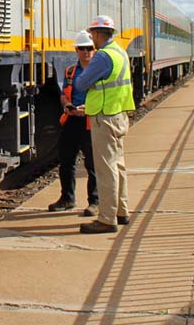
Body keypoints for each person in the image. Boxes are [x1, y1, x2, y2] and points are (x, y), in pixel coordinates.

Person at [74, 15, 134, 234]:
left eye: (92, 34)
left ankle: (107, 219)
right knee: (118, 165)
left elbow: (81, 83)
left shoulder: (102, 57)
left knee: (105, 168)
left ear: (99, 34)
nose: (91, 39)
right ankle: (121, 211)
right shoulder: (120, 52)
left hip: (104, 116)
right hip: (118, 114)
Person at [48, 31, 99, 216]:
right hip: (72, 120)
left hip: (90, 121)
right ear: (76, 50)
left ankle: (95, 202)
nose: (85, 52)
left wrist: (89, 108)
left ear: (94, 50)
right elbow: (63, 93)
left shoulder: (100, 71)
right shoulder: (70, 71)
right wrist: (67, 104)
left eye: (89, 48)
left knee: (92, 164)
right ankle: (67, 199)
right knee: (66, 161)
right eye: (81, 48)